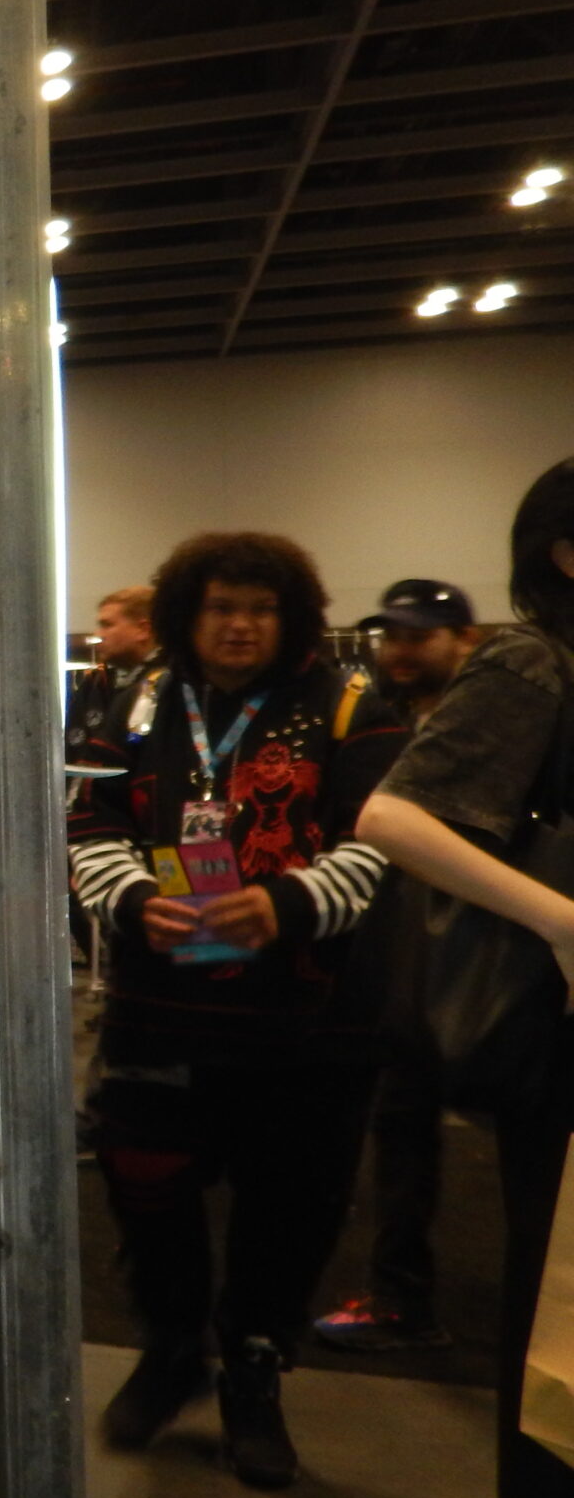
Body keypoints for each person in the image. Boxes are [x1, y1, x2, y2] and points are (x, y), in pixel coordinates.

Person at [68, 531, 405, 1488]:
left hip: (313, 1023)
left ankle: (254, 1371)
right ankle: (173, 1348)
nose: (241, 626)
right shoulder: (142, 700)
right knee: (145, 1182)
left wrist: (289, 904)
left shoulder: (352, 704)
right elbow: (89, 820)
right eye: (222, 607)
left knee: (289, 1208)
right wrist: (134, 898)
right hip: (160, 1007)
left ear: (293, 617)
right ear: (188, 613)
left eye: (261, 608)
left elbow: (384, 841)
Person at [357, 460, 574, 1498]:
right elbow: (391, 815)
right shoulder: (535, 660)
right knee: (559, 1337)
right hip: (557, 1042)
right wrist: (561, 922)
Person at [315, 578, 481, 1354]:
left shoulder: (482, 723)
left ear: (464, 641)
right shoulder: (388, 719)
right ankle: (399, 1296)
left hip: (476, 959)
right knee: (401, 1123)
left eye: (420, 636)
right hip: (403, 957)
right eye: (393, 636)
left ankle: (409, 1302)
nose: (401, 650)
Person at [66, 585, 157, 754]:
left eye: (107, 625)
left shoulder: (170, 684)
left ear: (143, 630)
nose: (98, 635)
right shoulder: (95, 683)